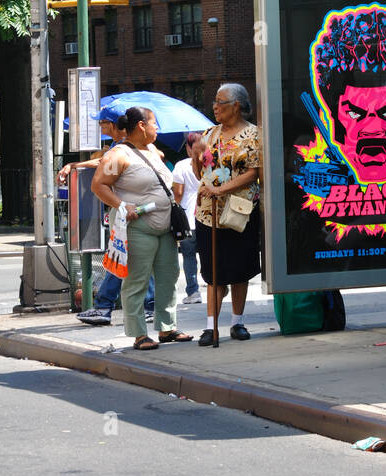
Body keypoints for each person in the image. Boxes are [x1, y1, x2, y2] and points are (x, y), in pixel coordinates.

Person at [89, 107, 190, 350]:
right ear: (142, 125)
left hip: (165, 226)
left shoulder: (153, 150)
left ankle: (167, 327)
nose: (158, 129)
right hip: (137, 226)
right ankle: (139, 334)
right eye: (155, 124)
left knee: (168, 277)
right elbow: (98, 185)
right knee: (137, 280)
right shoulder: (118, 154)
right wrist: (122, 205)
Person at [194, 83, 262, 346]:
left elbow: (253, 173)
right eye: (214, 101)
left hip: (239, 211)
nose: (215, 106)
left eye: (220, 101)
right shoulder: (209, 134)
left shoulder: (253, 134)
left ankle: (237, 322)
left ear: (236, 105)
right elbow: (200, 170)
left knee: (239, 269)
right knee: (213, 272)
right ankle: (210, 326)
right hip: (208, 213)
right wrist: (196, 157)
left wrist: (220, 189)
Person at [77, 115, 155, 326]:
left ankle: (121, 305)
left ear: (112, 125)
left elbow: (102, 169)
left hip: (130, 210)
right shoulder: (118, 147)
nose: (99, 126)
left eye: (102, 122)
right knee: (122, 256)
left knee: (125, 255)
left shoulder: (128, 148)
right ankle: (114, 305)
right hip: (124, 208)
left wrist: (75, 165)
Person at [171, 132, 202, 305]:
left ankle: (193, 292)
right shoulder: (210, 163)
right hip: (207, 216)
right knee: (208, 254)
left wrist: (174, 210)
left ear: (189, 147)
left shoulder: (181, 165)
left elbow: (178, 193)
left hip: (187, 219)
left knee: (189, 256)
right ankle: (217, 285)